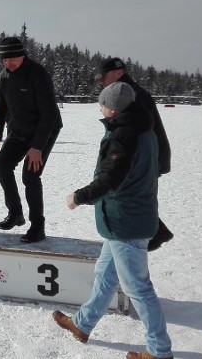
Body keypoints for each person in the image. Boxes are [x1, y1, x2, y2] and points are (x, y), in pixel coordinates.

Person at [54, 81, 173, 359]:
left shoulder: (125, 135)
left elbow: (112, 178)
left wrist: (79, 197)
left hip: (126, 221)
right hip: (126, 217)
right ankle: (82, 324)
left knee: (138, 289)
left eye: (103, 103)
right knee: (105, 276)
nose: (100, 107)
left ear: (113, 109)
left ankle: (159, 351)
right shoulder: (144, 129)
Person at [0, 37, 62, 243]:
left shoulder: (38, 74)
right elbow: (0, 107)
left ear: (22, 55)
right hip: (18, 130)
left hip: (43, 130)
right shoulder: (5, 76)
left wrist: (37, 147)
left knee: (30, 177)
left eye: (12, 59)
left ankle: (37, 226)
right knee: (2, 166)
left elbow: (49, 115)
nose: (8, 63)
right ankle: (15, 213)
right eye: (5, 59)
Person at [97, 57, 174, 251]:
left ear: (118, 73)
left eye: (104, 77)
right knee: (133, 194)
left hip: (146, 157)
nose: (101, 82)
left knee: (130, 195)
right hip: (149, 155)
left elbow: (132, 133)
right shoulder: (128, 92)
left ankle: (150, 234)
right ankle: (153, 233)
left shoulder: (128, 94)